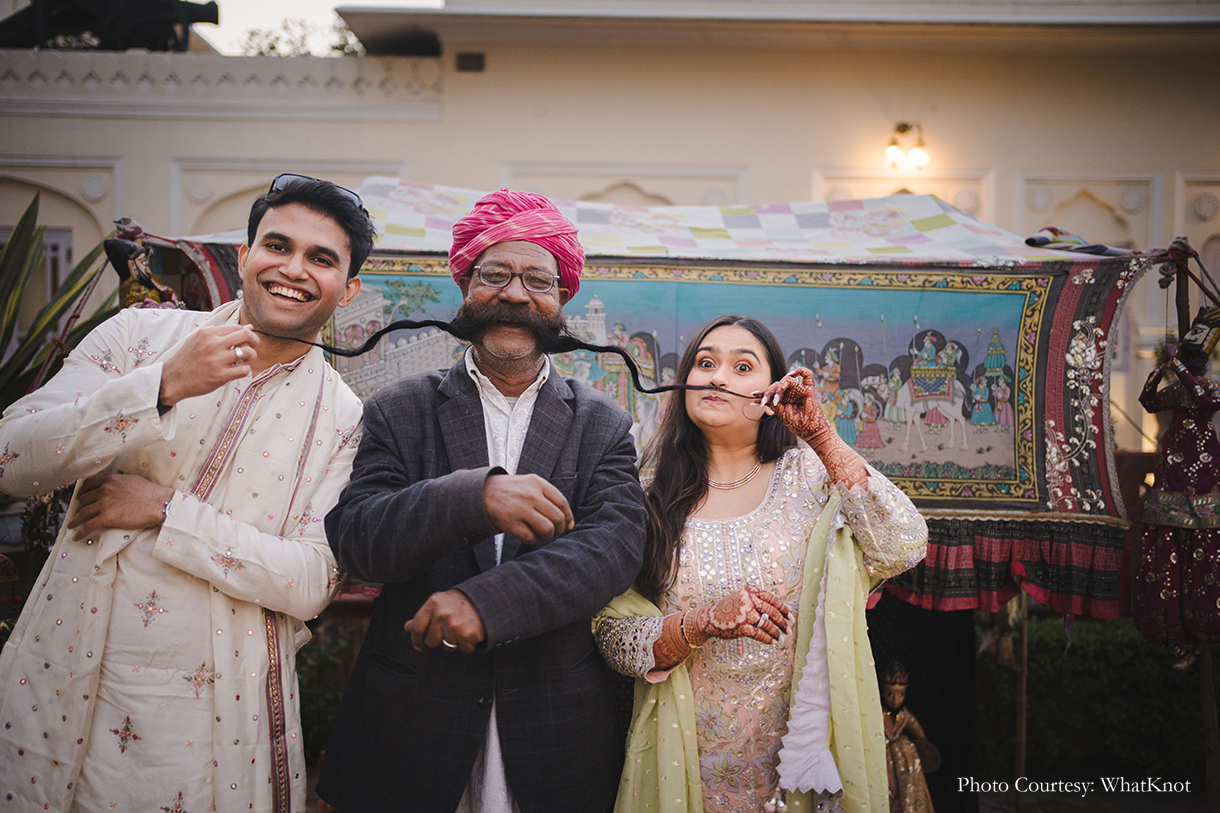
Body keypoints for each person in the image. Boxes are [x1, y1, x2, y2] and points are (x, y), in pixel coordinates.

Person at [0, 174, 374, 812]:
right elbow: (11, 459)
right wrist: (160, 387)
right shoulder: (136, 340)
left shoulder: (344, 418)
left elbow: (312, 582)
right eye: (276, 245)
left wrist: (166, 511)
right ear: (244, 256)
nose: (293, 269)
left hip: (216, 720)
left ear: (349, 287)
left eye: (321, 258)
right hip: (70, 670)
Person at [317, 189, 646, 813]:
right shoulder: (399, 409)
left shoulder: (602, 424)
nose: (515, 295)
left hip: (558, 732)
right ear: (465, 284)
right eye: (494, 274)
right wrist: (476, 498)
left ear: (562, 299)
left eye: (537, 280)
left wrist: (483, 602)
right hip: (413, 724)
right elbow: (359, 540)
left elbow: (613, 549)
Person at [594, 315, 927, 813]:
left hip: (802, 762)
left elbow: (902, 545)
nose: (718, 377)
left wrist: (823, 438)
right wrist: (699, 624)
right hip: (684, 766)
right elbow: (614, 640)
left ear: (771, 393)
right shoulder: (646, 496)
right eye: (705, 363)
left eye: (742, 366)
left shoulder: (811, 477)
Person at [1136, 307, 1220, 668]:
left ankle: (1199, 629)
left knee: (1203, 548)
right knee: (1168, 546)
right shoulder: (1179, 387)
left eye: (1194, 358)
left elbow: (1206, 401)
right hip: (1173, 467)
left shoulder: (1211, 386)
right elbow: (1149, 401)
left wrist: (1180, 369)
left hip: (1202, 469)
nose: (1190, 363)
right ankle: (1173, 633)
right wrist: (1160, 371)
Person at [879, 662, 935, 813]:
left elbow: (919, 733)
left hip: (905, 757)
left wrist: (924, 749)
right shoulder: (879, 714)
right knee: (885, 787)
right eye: (890, 694)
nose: (896, 699)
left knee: (908, 787)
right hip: (882, 755)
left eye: (900, 694)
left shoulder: (905, 716)